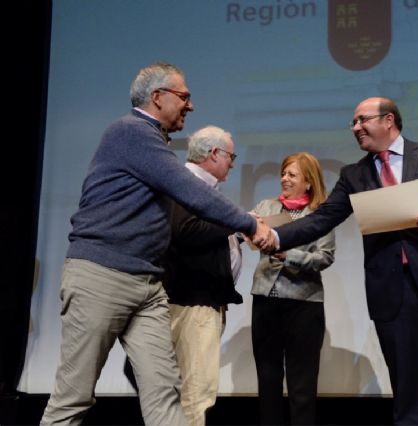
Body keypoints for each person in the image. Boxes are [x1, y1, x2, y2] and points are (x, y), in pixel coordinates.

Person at [40, 63, 274, 426]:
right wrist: (248, 222)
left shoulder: (154, 140)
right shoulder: (131, 131)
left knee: (165, 398)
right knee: (74, 398)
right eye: (184, 96)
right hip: (103, 276)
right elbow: (190, 191)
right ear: (157, 97)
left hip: (147, 285)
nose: (190, 105)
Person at [269, 97, 418, 425]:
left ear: (388, 121)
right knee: (407, 400)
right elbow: (322, 218)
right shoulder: (354, 174)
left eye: (362, 120)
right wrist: (277, 236)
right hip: (392, 297)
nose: (355, 128)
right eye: (353, 123)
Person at [163, 125, 244, 426]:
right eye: (231, 156)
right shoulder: (186, 183)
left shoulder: (199, 187)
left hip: (203, 301)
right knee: (197, 392)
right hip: (193, 302)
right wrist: (239, 222)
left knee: (194, 391)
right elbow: (184, 231)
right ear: (214, 154)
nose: (233, 164)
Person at [250, 152, 336, 425]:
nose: (285, 179)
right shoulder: (266, 206)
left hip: (304, 304)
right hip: (265, 301)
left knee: (302, 384)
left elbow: (325, 257)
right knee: (267, 379)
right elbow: (248, 235)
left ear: (309, 182)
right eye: (283, 174)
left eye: (292, 175)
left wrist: (289, 256)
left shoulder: (320, 215)